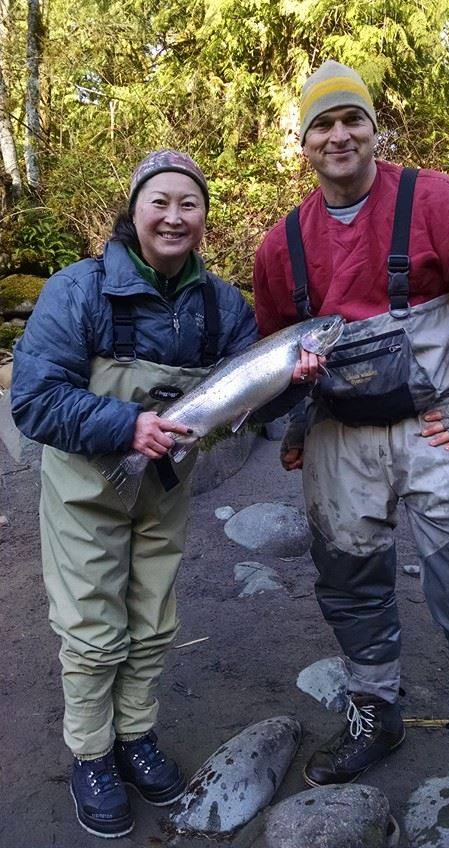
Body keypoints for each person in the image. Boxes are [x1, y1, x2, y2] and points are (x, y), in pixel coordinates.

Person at [253, 61, 449, 839]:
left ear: (377, 129)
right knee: (348, 583)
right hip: (339, 443)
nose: (339, 135)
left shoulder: (440, 202)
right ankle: (375, 714)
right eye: (323, 124)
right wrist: (295, 423)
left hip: (437, 429)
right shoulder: (280, 245)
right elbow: (274, 355)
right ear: (304, 144)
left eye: (353, 120)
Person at [11, 150, 267, 839]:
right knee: (94, 633)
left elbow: (256, 401)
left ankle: (135, 738)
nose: (175, 216)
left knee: (152, 625)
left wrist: (295, 375)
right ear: (134, 211)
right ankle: (92, 755)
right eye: (161, 202)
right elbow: (33, 403)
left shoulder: (222, 306)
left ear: (205, 218)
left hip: (162, 489)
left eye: (190, 203)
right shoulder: (79, 290)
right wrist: (127, 423)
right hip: (87, 489)